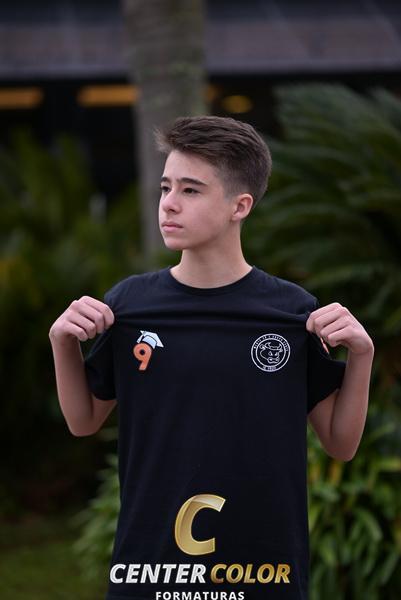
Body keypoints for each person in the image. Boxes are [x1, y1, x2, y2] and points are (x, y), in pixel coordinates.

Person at [49, 116, 374, 600]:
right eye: (166, 187)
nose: (169, 203)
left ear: (239, 205)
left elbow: (340, 443)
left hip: (265, 573)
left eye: (191, 190)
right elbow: (83, 421)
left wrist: (363, 356)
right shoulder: (130, 306)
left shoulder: (290, 312)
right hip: (150, 571)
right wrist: (61, 342)